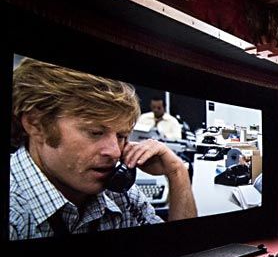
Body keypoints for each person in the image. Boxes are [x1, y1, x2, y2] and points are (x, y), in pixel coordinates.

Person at [10, 59, 197, 240]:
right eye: (95, 132)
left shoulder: (119, 193)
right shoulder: (13, 216)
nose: (115, 153)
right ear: (36, 124)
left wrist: (176, 171)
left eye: (121, 136)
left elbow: (183, 252)